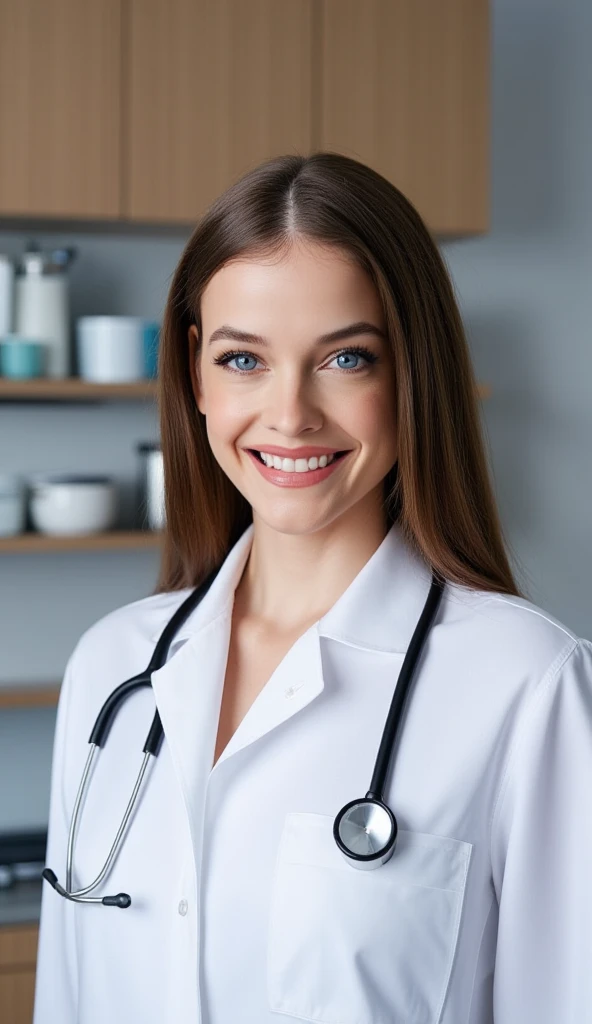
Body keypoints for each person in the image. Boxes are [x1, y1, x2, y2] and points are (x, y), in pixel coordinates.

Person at [33, 152, 592, 1024]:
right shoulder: (112, 666)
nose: (290, 414)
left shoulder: (527, 683)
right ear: (195, 374)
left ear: (414, 372)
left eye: (346, 360)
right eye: (244, 360)